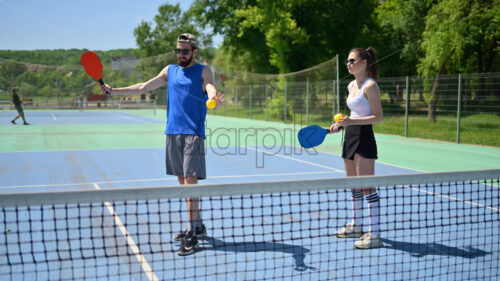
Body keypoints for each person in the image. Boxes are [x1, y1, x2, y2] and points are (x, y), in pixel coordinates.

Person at [99, 33, 224, 256]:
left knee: (190, 181)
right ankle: (198, 224)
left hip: (192, 133)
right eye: (178, 50)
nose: (181, 54)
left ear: (194, 51)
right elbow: (143, 87)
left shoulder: (203, 71)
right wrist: (114, 91)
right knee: (181, 180)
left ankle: (192, 235)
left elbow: (211, 87)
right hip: (172, 133)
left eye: (185, 51)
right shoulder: (169, 71)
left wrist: (212, 99)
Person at [329, 47, 383, 249]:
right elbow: (354, 113)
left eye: (352, 60)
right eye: (347, 61)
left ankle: (375, 234)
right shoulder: (351, 84)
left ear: (363, 62)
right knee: (354, 185)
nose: (348, 64)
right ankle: (356, 226)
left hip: (364, 136)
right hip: (350, 135)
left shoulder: (370, 86)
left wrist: (351, 121)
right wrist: (341, 123)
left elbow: (378, 117)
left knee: (367, 186)